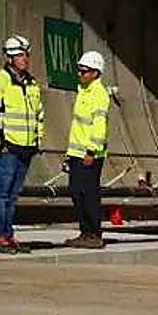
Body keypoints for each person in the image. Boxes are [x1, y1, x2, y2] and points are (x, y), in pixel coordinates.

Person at [0, 34, 44, 254]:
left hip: (25, 148)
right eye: (20, 55)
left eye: (26, 55)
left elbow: (39, 115)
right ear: (10, 58)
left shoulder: (31, 83)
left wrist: (37, 141)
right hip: (7, 148)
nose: (25, 59)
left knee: (13, 195)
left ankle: (8, 234)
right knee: (2, 193)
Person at [64, 50, 109, 249]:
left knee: (87, 194)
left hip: (89, 155)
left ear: (95, 73)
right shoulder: (83, 91)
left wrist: (91, 151)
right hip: (77, 153)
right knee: (76, 192)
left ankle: (93, 233)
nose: (80, 74)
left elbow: (99, 126)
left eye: (84, 71)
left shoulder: (98, 94)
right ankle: (85, 231)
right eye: (79, 70)